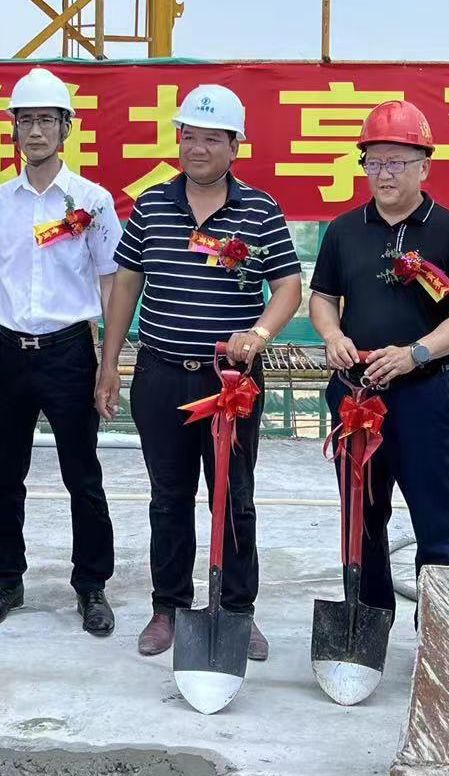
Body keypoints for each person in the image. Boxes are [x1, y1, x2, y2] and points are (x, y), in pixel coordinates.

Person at [98, 84, 302, 660]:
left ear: (235, 146)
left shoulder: (259, 209)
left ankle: (237, 610)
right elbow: (126, 287)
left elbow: (288, 285)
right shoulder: (151, 205)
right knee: (168, 497)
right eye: (190, 136)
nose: (198, 148)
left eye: (213, 139)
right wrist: (109, 364)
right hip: (161, 374)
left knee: (234, 498)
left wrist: (259, 334)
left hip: (231, 382)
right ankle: (168, 607)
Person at [0, 68, 122, 635]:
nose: (36, 131)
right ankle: (5, 579)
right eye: (26, 121)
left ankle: (91, 585)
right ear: (14, 130)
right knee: (6, 473)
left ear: (67, 128)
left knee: (82, 474)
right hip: (10, 352)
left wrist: (109, 361)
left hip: (70, 350)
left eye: (47, 120)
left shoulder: (92, 201)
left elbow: (110, 281)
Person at [308, 101, 449, 608]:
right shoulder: (344, 230)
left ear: (424, 167)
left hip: (423, 396)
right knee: (361, 519)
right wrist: (332, 335)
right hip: (355, 395)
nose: (384, 174)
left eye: (397, 162)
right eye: (374, 162)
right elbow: (322, 297)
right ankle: (368, 619)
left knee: (435, 520)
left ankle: (436, 628)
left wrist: (417, 353)